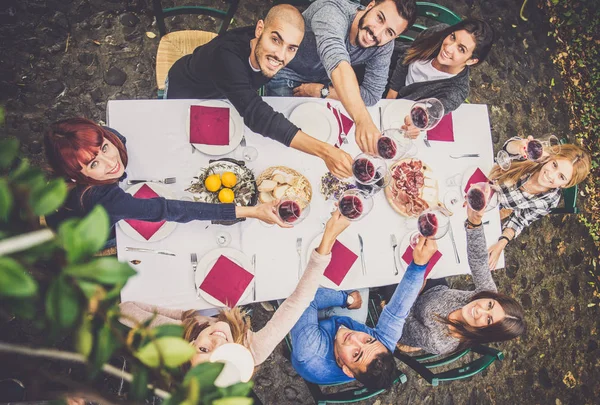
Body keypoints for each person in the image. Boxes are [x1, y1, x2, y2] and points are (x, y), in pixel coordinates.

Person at [119, 211, 351, 369]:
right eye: (223, 357)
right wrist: (328, 238)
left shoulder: (178, 336)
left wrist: (184, 318)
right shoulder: (254, 351)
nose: (218, 342)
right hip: (231, 303)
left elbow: (125, 309)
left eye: (203, 349)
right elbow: (298, 302)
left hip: (194, 299)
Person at [166, 4, 352, 178]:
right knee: (181, 151)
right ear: (259, 29)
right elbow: (257, 116)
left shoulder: (266, 53)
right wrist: (326, 151)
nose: (280, 55)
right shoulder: (225, 57)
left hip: (224, 96)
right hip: (187, 93)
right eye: (275, 40)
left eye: (291, 48)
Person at [44, 118, 289, 247]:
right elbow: (171, 210)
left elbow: (118, 138)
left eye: (105, 148)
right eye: (94, 164)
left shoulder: (107, 137)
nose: (111, 163)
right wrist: (252, 211)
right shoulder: (107, 200)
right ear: (76, 175)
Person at [266, 0, 417, 155]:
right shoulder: (331, 11)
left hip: (326, 83)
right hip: (286, 71)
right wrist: (362, 120)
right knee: (282, 141)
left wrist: (324, 91)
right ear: (370, 6)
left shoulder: (385, 45)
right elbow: (337, 61)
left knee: (330, 142)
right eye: (379, 18)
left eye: (389, 32)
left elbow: (372, 95)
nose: (377, 33)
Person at [289, 236, 437, 388]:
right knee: (360, 274)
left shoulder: (309, 351)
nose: (354, 338)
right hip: (337, 327)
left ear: (347, 370)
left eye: (355, 354)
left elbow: (305, 296)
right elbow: (398, 311)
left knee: (292, 279)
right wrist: (419, 265)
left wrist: (346, 300)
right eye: (368, 340)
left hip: (310, 333)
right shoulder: (381, 348)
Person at [396, 206, 526, 355]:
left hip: (405, 310)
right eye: (489, 305)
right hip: (433, 289)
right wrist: (474, 223)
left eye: (488, 320)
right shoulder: (487, 294)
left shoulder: (438, 341)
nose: (479, 309)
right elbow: (479, 261)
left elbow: (402, 323)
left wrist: (415, 285)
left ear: (486, 333)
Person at [486, 138, 591, 269]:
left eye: (561, 177)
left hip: (492, 208)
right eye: (554, 165)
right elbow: (507, 147)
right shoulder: (534, 156)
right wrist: (519, 146)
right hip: (484, 176)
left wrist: (500, 244)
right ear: (551, 157)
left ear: (565, 185)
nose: (551, 175)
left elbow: (520, 219)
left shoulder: (550, 200)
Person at [386, 18, 494, 117]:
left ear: (471, 61)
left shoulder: (456, 91)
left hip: (402, 109)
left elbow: (430, 114)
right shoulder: (438, 32)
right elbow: (407, 55)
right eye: (453, 37)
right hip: (387, 68)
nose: (449, 48)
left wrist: (416, 122)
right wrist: (391, 96)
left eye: (461, 49)